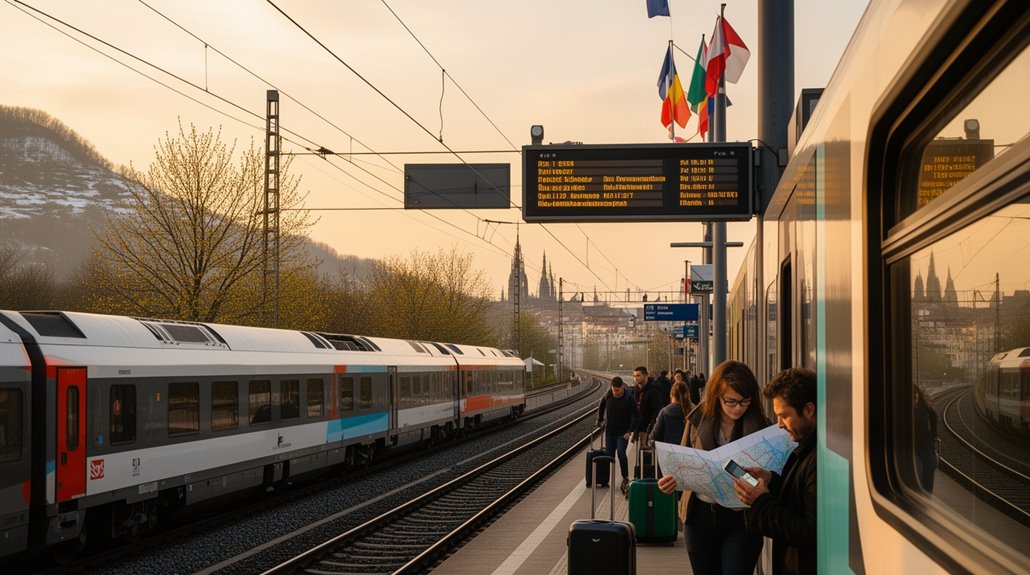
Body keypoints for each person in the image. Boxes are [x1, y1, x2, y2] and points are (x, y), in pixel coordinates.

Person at [657, 361, 770, 575]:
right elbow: (682, 461)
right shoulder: (697, 419)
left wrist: (766, 479)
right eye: (731, 401)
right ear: (717, 395)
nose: (738, 407)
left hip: (742, 520)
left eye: (744, 401)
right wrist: (671, 481)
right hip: (699, 518)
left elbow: (773, 475)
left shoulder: (763, 428)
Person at [733, 367, 817, 575]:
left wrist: (760, 502)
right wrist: (770, 480)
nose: (779, 425)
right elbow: (799, 498)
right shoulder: (809, 448)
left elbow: (810, 532)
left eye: (784, 416)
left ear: (808, 410)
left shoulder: (819, 460)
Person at [595, 376, 641, 496]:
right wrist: (599, 419)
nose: (615, 392)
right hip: (610, 431)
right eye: (614, 390)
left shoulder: (628, 398)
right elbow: (601, 405)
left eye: (618, 390)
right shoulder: (609, 394)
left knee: (621, 453)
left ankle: (625, 477)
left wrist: (630, 431)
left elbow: (637, 417)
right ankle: (604, 479)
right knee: (609, 455)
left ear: (622, 388)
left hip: (623, 433)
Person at [650, 380, 691, 481]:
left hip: (668, 459)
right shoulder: (694, 411)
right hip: (689, 459)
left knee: (668, 489)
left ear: (671, 394)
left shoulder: (664, 412)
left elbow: (654, 436)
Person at [913, 385, 939, 492]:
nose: (915, 397)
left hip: (922, 452)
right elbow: (934, 420)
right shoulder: (925, 408)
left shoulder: (921, 410)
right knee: (926, 486)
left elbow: (933, 419)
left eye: (915, 395)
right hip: (926, 451)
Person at [632, 366, 664, 445]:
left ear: (646, 375)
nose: (636, 378)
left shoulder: (654, 391)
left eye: (638, 375)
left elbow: (657, 410)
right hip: (638, 427)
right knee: (639, 452)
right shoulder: (635, 390)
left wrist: (651, 427)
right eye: (634, 376)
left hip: (648, 427)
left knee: (646, 452)